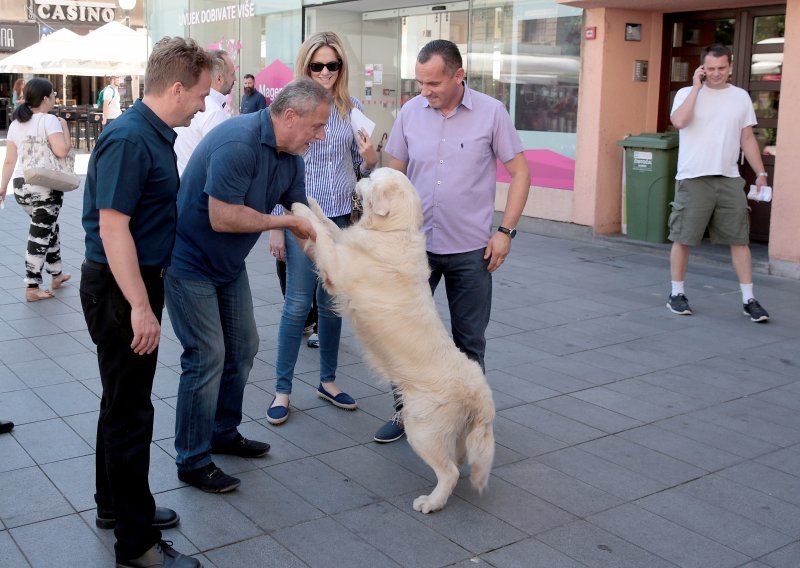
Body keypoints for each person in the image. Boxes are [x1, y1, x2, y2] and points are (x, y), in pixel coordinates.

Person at [80, 36, 213, 568]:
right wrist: (140, 304)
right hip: (122, 287)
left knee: (120, 402)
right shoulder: (131, 139)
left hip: (132, 282)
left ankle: (115, 505)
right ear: (177, 88)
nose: (204, 104)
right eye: (201, 94)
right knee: (131, 413)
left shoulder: (151, 134)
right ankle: (136, 545)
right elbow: (114, 229)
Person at [165, 78, 328, 493]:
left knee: (243, 348)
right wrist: (285, 222)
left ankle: (222, 432)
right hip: (189, 263)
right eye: (317, 125)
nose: (321, 135)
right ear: (289, 116)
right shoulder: (238, 142)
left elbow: (301, 224)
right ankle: (192, 458)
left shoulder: (292, 156)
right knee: (207, 355)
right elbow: (224, 217)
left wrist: (329, 268)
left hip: (227, 265)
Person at [374, 39, 530, 443]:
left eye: (433, 83)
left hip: (471, 251)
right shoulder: (410, 112)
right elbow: (395, 177)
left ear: (459, 75)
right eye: (420, 82)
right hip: (415, 249)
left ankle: (466, 420)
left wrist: (506, 231)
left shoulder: (492, 113)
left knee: (468, 341)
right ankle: (406, 412)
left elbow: (521, 173)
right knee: (405, 337)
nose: (424, 91)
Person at [266, 31, 378, 426]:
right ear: (306, 67)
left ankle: (327, 382)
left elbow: (362, 169)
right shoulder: (293, 106)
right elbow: (277, 167)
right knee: (297, 305)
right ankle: (282, 389)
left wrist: (370, 159)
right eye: (318, 65)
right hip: (302, 218)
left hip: (342, 220)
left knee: (332, 305)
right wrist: (276, 228)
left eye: (333, 64)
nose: (326, 71)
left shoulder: (352, 108)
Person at [667, 44, 770, 323]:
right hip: (693, 177)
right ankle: (677, 293)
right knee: (683, 237)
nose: (716, 73)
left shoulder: (740, 98)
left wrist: (761, 173)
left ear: (730, 67)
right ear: (702, 68)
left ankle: (749, 299)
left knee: (740, 240)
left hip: (729, 178)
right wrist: (696, 88)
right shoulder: (687, 94)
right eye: (710, 68)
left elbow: (746, 138)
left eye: (721, 68)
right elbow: (678, 121)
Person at [0, 78, 72, 302]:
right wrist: (65, 128)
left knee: (48, 228)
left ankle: (57, 273)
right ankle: (32, 286)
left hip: (21, 187)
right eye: (52, 95)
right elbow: (62, 150)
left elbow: (10, 161)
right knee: (39, 234)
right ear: (45, 99)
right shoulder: (49, 120)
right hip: (44, 185)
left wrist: (2, 187)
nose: (54, 99)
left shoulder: (15, 124)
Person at [174, 49, 236, 175]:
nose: (235, 78)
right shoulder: (214, 111)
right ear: (219, 79)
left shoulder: (189, 102)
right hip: (199, 189)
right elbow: (220, 164)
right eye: (232, 74)